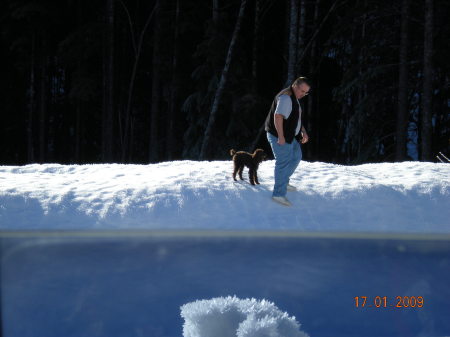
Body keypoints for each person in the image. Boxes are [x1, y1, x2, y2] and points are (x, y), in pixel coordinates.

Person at [264, 77, 311, 206]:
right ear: (295, 86)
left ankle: (284, 181)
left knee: (296, 156)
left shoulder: (294, 97)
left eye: (305, 92)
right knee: (283, 162)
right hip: (279, 135)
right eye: (302, 91)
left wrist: (303, 131)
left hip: (290, 135)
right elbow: (278, 117)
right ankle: (278, 194)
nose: (303, 94)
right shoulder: (286, 98)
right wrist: (281, 137)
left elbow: (296, 117)